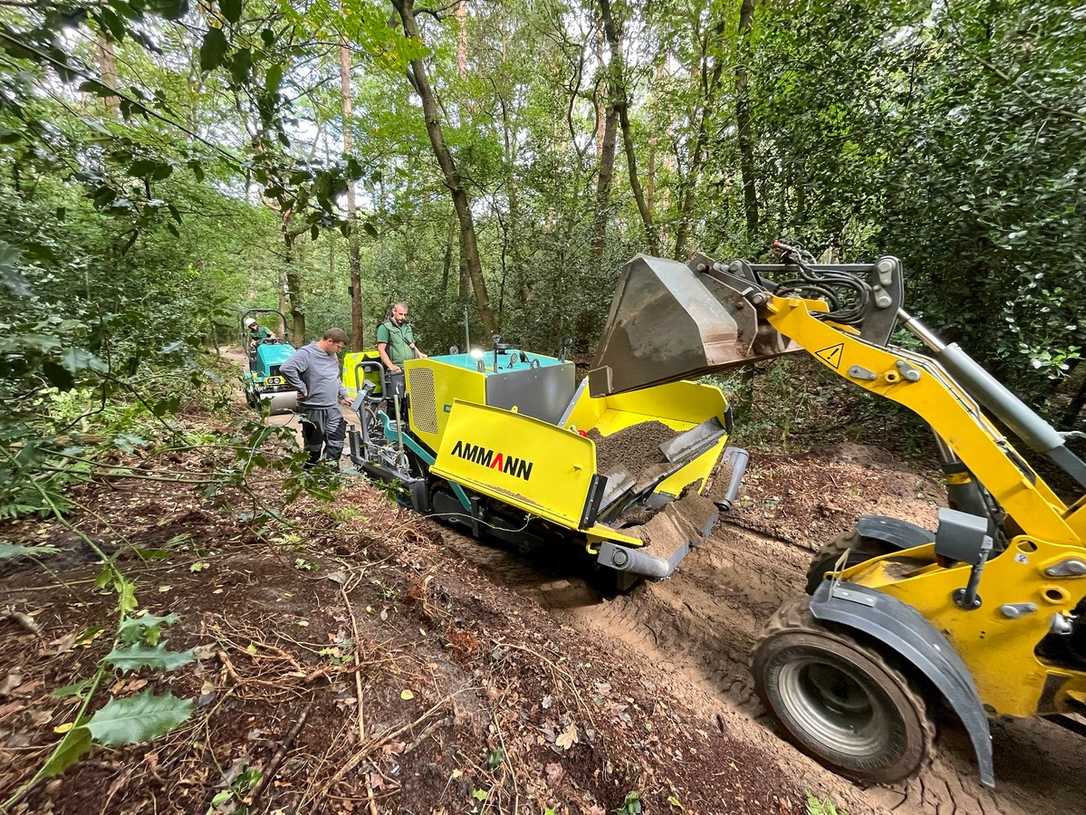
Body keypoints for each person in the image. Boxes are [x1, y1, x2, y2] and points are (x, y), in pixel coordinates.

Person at [279, 328, 352, 469]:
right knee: (313, 448)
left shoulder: (332, 355)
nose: (339, 350)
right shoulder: (306, 353)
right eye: (338, 347)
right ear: (329, 341)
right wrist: (301, 387)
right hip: (313, 408)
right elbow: (286, 368)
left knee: (336, 442)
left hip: (332, 407)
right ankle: (309, 474)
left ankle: (329, 473)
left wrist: (343, 395)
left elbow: (335, 377)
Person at [376, 302, 427, 375]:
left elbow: (411, 344)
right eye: (400, 314)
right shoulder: (384, 327)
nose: (403, 317)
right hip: (397, 370)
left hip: (411, 367)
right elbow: (381, 350)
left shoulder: (407, 326)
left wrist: (419, 354)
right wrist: (391, 366)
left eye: (405, 314)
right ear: (394, 311)